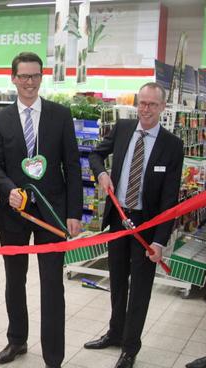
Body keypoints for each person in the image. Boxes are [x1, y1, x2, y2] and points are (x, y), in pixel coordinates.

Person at [0, 52, 82, 368]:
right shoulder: (0, 119)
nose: (29, 82)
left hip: (51, 214)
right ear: (13, 78)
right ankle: (17, 340)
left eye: (35, 76)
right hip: (14, 214)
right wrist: (7, 188)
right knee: (15, 280)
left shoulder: (60, 115)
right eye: (23, 76)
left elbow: (72, 165)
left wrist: (75, 212)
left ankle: (54, 355)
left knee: (52, 283)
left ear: (42, 77)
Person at [84, 82, 184, 368]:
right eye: (142, 103)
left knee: (139, 287)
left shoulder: (172, 145)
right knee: (116, 280)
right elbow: (94, 154)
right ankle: (115, 333)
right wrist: (101, 173)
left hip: (148, 224)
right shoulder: (123, 128)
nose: (146, 109)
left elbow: (170, 198)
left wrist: (159, 241)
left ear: (162, 108)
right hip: (118, 217)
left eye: (152, 104)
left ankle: (130, 347)